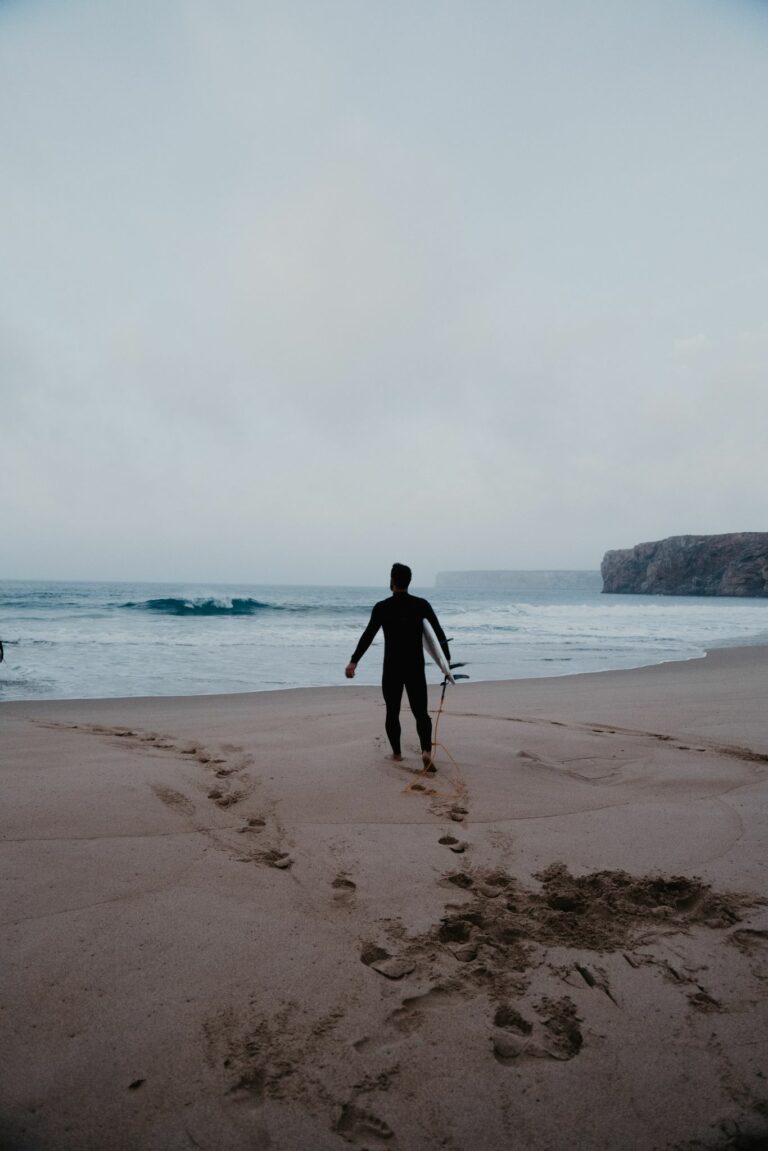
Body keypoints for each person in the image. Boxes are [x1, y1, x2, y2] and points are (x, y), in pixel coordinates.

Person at [345, 563, 451, 771]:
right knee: (421, 712)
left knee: (392, 712)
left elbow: (368, 636)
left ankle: (396, 754)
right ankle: (426, 752)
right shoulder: (421, 605)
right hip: (415, 667)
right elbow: (439, 634)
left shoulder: (382, 607)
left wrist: (353, 661)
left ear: (392, 580)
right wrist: (445, 663)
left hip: (392, 667)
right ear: (409, 581)